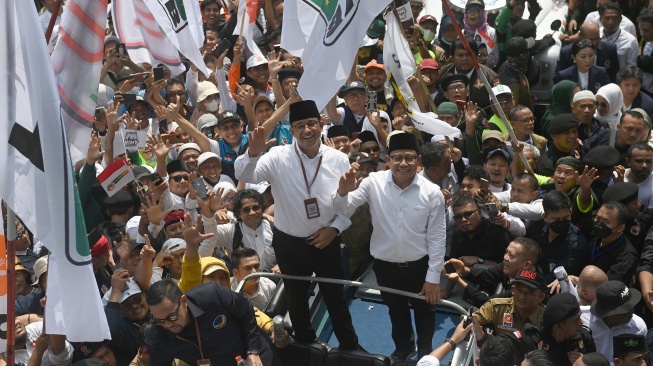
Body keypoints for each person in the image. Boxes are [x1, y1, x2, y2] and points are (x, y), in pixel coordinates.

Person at [235, 100, 363, 350]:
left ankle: (350, 345)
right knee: (297, 297)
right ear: (291, 130)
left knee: (335, 297)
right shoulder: (276, 157)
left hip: (327, 239)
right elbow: (246, 174)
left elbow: (346, 207)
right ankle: (304, 342)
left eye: (312, 124)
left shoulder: (338, 159)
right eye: (300, 125)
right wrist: (252, 152)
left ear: (321, 125)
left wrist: (334, 229)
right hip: (290, 242)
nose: (307, 130)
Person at [335, 132, 446, 360]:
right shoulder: (371, 183)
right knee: (396, 311)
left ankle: (426, 352)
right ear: (388, 159)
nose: (403, 163)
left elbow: (437, 238)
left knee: (425, 312)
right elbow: (344, 208)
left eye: (409, 158)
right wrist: (343, 191)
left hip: (420, 266)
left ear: (418, 161)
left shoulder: (432, 193)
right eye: (397, 157)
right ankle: (404, 348)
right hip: (385, 266)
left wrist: (433, 278)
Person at [145, 279, 278, 366]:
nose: (168, 325)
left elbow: (246, 309)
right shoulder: (156, 337)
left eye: (172, 317)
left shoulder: (211, 295)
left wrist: (252, 351)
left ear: (184, 301)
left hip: (256, 353)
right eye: (159, 320)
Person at [498, 292, 596, 366]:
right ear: (558, 326)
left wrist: (582, 363)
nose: (581, 322)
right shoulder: (532, 339)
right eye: (576, 320)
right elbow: (499, 346)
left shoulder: (583, 338)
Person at [526, 190, 589, 281]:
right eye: (555, 219)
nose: (561, 222)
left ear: (570, 213)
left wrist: (530, 280)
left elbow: (558, 276)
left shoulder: (577, 243)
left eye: (566, 218)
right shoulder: (535, 227)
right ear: (545, 217)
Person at [581, 281, 647, 361]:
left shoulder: (638, 328)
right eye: (627, 308)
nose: (632, 310)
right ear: (611, 314)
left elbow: (638, 361)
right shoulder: (581, 317)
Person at [474, 269, 547, 336]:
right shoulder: (496, 307)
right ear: (513, 290)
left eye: (529, 293)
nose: (522, 297)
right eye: (519, 290)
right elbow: (472, 322)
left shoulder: (547, 317)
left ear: (540, 297)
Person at [588, 202, 640, 284]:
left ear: (620, 228)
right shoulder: (594, 236)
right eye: (598, 218)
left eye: (606, 221)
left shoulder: (627, 257)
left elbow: (608, 286)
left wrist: (579, 281)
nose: (599, 224)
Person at [602, 183, 651, 253]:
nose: (639, 205)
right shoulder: (602, 224)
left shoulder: (644, 221)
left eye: (637, 200)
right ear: (622, 209)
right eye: (634, 203)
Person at [599, 3, 638, 72]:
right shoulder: (595, 35)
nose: (610, 22)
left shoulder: (630, 41)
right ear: (601, 19)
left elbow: (632, 68)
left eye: (615, 18)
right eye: (607, 18)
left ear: (620, 19)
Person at [463, 0, 499, 68]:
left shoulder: (491, 32)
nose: (472, 14)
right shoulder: (462, 33)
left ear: (482, 13)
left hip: (485, 73)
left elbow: (495, 59)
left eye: (476, 11)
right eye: (469, 11)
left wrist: (482, 56)